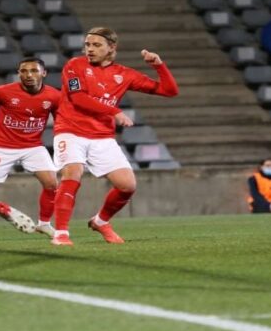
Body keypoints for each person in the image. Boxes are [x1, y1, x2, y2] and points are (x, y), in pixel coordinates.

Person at [51, 27, 179, 246]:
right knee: (72, 173)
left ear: (111, 48)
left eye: (96, 45)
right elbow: (78, 98)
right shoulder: (75, 65)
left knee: (127, 185)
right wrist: (114, 112)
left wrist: (158, 65)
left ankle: (100, 221)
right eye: (87, 44)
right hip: (70, 131)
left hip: (102, 136)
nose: (90, 49)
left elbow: (170, 91)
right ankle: (61, 233)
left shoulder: (124, 74)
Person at [0, 58, 61, 242]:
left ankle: (44, 223)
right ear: (19, 74)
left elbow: (60, 122)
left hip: (33, 146)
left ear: (44, 73)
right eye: (24, 71)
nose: (29, 75)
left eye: (34, 71)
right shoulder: (2, 91)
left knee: (52, 184)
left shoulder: (54, 96)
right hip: (1, 146)